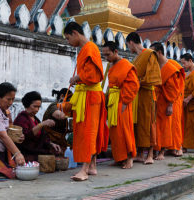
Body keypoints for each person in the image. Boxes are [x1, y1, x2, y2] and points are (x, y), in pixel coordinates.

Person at [64, 22, 109, 181]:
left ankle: (83, 169)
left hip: (91, 97)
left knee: (87, 132)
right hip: (86, 95)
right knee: (89, 131)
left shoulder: (90, 48)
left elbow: (94, 76)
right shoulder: (85, 49)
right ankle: (92, 165)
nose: (68, 42)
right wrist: (78, 79)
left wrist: (78, 77)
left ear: (75, 33)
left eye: (68, 38)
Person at [102, 41, 139, 169]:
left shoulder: (126, 65)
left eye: (108, 54)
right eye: (104, 55)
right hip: (112, 101)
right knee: (114, 132)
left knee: (125, 130)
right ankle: (119, 158)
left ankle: (130, 158)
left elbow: (133, 85)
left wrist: (125, 101)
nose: (106, 58)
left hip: (122, 101)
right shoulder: (111, 65)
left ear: (116, 52)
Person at [126, 32, 162, 164]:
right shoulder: (137, 58)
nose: (128, 48)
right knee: (139, 124)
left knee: (149, 122)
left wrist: (138, 82)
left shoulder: (149, 54)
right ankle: (141, 154)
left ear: (131, 42)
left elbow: (153, 76)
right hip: (138, 94)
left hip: (147, 93)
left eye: (128, 45)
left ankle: (150, 155)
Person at [150, 42, 185, 159]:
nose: (151, 56)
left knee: (165, 127)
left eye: (153, 53)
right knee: (157, 126)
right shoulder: (156, 65)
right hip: (156, 100)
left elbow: (173, 89)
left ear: (159, 52)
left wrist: (170, 104)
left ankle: (162, 151)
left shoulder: (170, 68)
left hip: (167, 101)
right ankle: (156, 149)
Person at [13, 91, 65, 162]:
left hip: (37, 150)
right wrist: (42, 124)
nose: (37, 110)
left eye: (38, 107)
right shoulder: (22, 119)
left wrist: (51, 144)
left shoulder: (35, 119)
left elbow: (43, 137)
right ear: (27, 105)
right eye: (34, 106)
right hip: (27, 152)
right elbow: (26, 137)